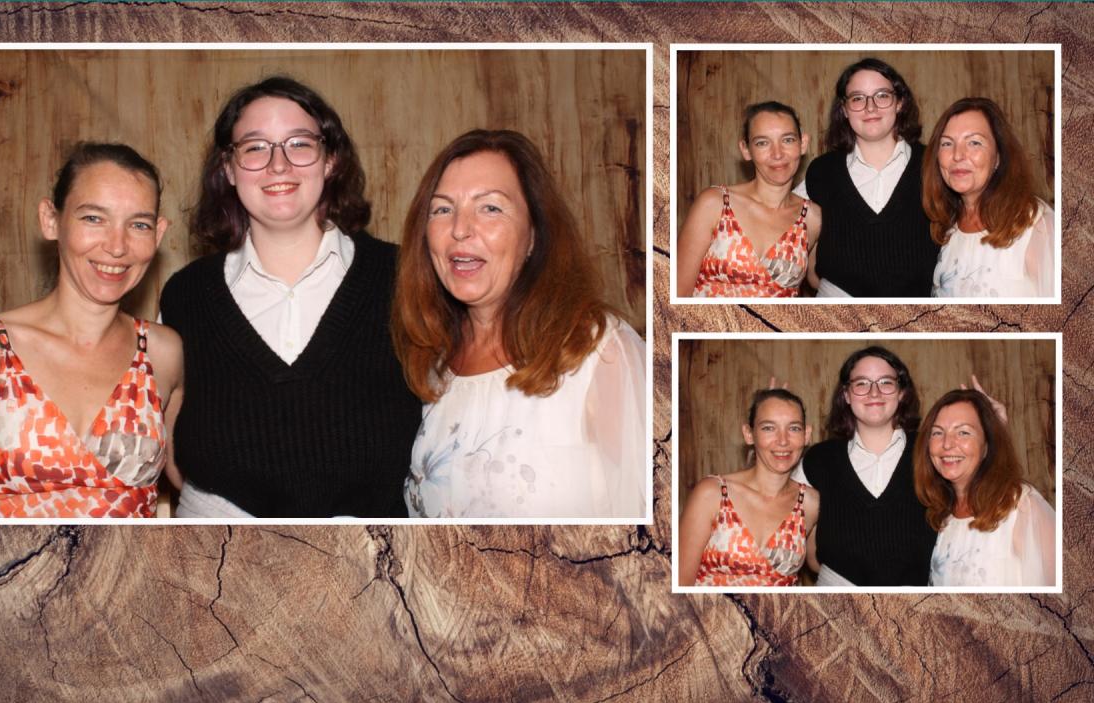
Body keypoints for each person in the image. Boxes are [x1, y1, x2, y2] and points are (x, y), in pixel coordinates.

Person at [159, 76, 421, 518]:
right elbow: (172, 454)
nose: (278, 165)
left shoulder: (406, 278)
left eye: (299, 144)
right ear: (228, 168)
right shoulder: (185, 296)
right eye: (255, 147)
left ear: (331, 160)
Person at [392, 129, 647, 518]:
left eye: (490, 208)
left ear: (534, 236)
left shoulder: (599, 351)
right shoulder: (431, 364)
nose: (459, 228)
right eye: (442, 210)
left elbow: (652, 530)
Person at [0, 143, 182, 518]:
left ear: (158, 233)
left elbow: (201, 477)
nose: (117, 247)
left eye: (139, 225)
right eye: (94, 218)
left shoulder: (163, 352)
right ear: (51, 220)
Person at [797, 346, 936, 585]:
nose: (874, 392)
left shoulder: (933, 450)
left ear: (902, 392)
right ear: (846, 395)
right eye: (861, 383)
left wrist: (994, 429)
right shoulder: (818, 460)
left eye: (886, 382)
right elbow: (785, 534)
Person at [800, 58, 938, 297]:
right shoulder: (821, 171)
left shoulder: (935, 164)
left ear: (900, 103)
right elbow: (781, 221)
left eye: (882, 95)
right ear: (844, 109)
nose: (870, 108)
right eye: (857, 98)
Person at [677, 101, 822, 297]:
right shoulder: (715, 204)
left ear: (802, 144)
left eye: (787, 140)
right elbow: (677, 294)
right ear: (746, 150)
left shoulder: (812, 218)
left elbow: (820, 280)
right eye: (762, 143)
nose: (777, 154)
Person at [678, 389, 820, 586]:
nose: (783, 440)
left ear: (806, 435)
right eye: (769, 428)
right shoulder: (712, 494)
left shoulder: (811, 503)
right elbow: (679, 582)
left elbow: (824, 565)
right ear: (749, 434)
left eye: (794, 428)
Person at [914, 389, 1056, 586]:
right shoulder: (939, 516)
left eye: (963, 432)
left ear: (987, 445)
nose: (947, 444)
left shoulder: (1022, 506)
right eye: (937, 432)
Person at [923, 97, 1054, 298]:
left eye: (974, 142)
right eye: (947, 143)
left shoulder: (1035, 224)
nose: (958, 155)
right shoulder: (946, 228)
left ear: (998, 157)